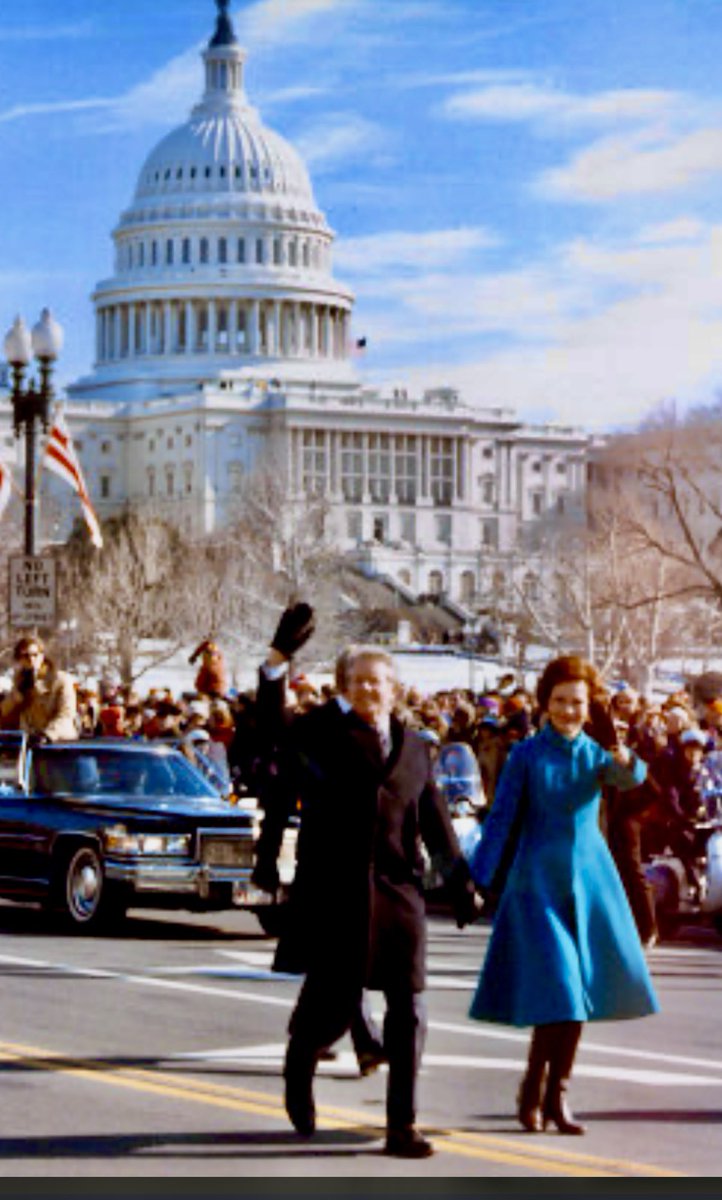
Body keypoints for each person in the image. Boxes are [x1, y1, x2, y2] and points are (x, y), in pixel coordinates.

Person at [258, 604, 479, 1159]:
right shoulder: (319, 735)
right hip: (336, 896)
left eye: (377, 682)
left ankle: (401, 1126)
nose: (367, 690)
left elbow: (436, 824)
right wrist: (277, 662)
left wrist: (460, 884)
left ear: (395, 688)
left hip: (399, 894)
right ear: (342, 688)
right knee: (331, 1006)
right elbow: (271, 725)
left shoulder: (415, 748)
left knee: (409, 1011)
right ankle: (299, 1063)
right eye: (356, 682)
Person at [468, 654, 658, 1136]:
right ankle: (536, 1090)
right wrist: (477, 879)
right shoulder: (527, 755)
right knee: (562, 991)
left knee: (575, 997)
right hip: (538, 886)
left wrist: (624, 755)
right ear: (545, 704)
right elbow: (501, 818)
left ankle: (554, 1096)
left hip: (591, 882)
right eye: (559, 701)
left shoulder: (596, 752)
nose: (569, 711)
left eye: (577, 702)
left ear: (589, 706)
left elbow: (633, 780)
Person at [0, 636, 77, 742]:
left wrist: (48, 734)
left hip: (59, 742)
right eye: (26, 656)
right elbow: (5, 712)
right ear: (19, 659)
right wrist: (17, 696)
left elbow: (66, 715)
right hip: (29, 743)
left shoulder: (60, 680)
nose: (31, 659)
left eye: (35, 655)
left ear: (42, 656)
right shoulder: (19, 681)